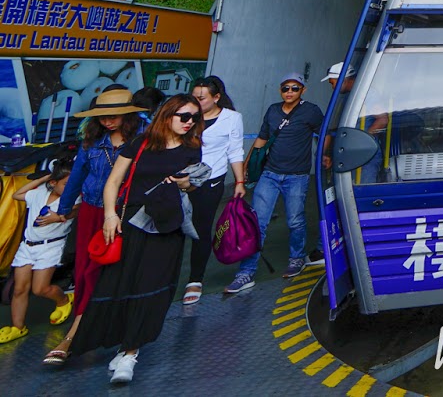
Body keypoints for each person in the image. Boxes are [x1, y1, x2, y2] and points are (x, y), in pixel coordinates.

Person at [73, 96, 206, 384]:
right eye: (184, 116)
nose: (189, 122)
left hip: (166, 226)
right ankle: (122, 346)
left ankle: (130, 354)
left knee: (151, 289)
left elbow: (191, 186)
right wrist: (110, 215)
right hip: (132, 223)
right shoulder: (141, 143)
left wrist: (187, 184)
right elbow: (113, 181)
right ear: (167, 115)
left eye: (195, 117)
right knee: (121, 284)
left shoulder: (192, 148)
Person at [44, 86, 144, 366]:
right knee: (86, 271)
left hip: (123, 214)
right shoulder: (92, 140)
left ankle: (85, 334)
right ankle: (77, 332)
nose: (108, 121)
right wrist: (64, 209)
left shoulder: (142, 139)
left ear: (127, 114)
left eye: (114, 116)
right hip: (91, 212)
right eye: (102, 116)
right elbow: (77, 175)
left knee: (114, 273)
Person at [226, 73, 323, 294]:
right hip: (269, 174)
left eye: (295, 88)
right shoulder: (272, 110)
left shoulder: (311, 111)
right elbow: (261, 139)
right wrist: (248, 165)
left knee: (295, 221)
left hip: (297, 176)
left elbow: (324, 134)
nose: (289, 92)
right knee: (257, 223)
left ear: (303, 90)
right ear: (280, 90)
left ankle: (297, 258)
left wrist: (324, 155)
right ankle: (246, 272)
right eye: (285, 88)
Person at [183, 76, 246, 305]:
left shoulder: (232, 118)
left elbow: (235, 150)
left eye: (201, 98)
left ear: (216, 97)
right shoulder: (186, 115)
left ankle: (195, 279)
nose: (196, 102)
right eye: (194, 97)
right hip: (181, 179)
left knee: (201, 229)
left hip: (210, 181)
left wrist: (239, 181)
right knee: (173, 228)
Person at [0, 160, 74, 344]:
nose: (70, 187)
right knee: (19, 289)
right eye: (66, 183)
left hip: (50, 246)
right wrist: (43, 179)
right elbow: (17, 195)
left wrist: (59, 217)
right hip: (27, 246)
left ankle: (64, 300)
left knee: (40, 289)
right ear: (53, 183)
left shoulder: (73, 198)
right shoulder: (39, 193)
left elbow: (77, 211)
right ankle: (18, 327)